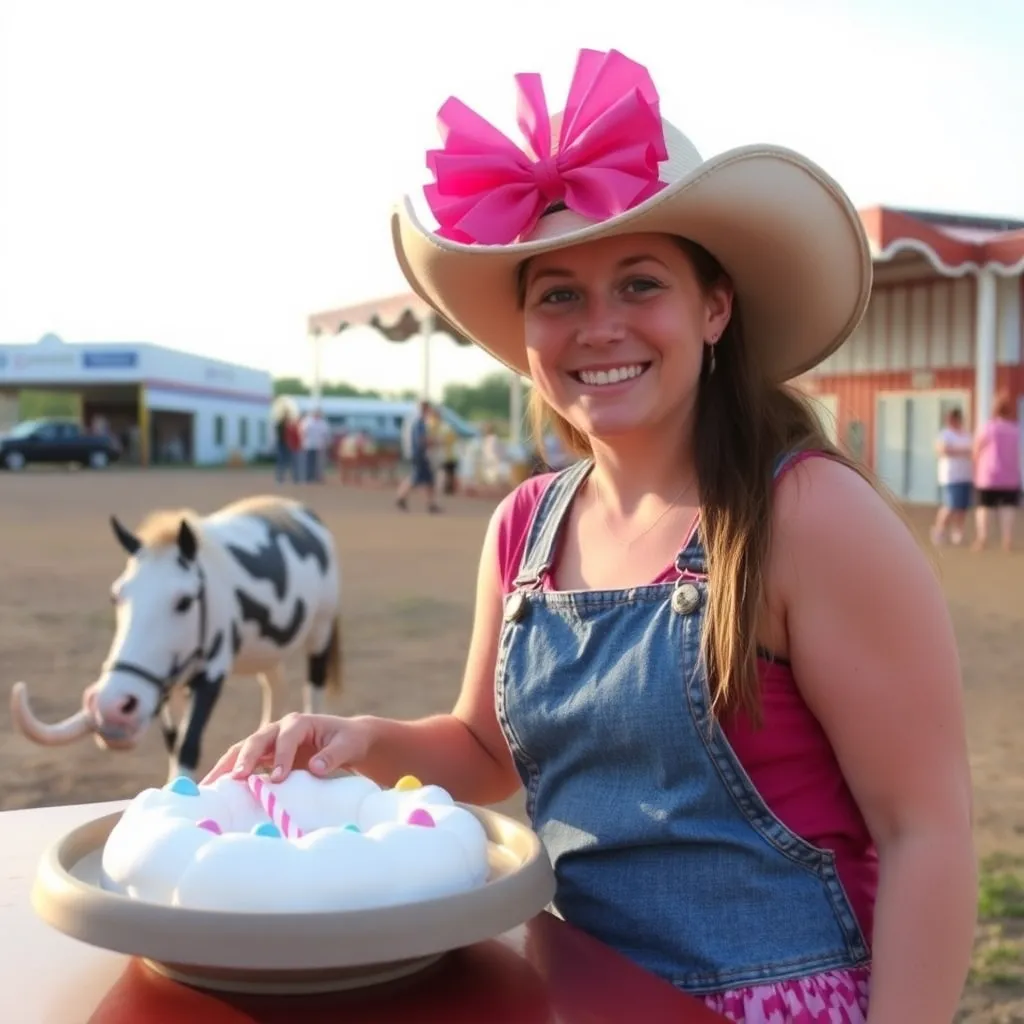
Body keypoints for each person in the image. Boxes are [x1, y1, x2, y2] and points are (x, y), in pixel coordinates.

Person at [205, 48, 976, 1022]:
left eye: (640, 283)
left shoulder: (808, 516)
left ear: (713, 307)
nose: (598, 326)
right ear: (526, 332)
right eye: (558, 293)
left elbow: (927, 832)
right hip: (572, 990)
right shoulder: (522, 526)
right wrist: (363, 739)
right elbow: (486, 748)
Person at [972, 391, 1021, 552]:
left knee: (985, 507)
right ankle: (1007, 539)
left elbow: (977, 449)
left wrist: (975, 463)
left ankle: (983, 538)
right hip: (1010, 476)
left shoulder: (989, 428)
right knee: (1008, 507)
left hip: (989, 475)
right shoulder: (1015, 430)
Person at [931, 407, 974, 546]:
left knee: (962, 507)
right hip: (950, 476)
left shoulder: (967, 435)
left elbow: (973, 451)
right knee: (950, 505)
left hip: (966, 475)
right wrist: (963, 451)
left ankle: (958, 532)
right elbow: (942, 450)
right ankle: (939, 530)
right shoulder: (945, 434)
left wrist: (960, 451)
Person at [396, 400, 442, 513]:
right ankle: (402, 497)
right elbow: (421, 440)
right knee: (418, 478)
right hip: (420, 454)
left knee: (425, 479)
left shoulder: (417, 422)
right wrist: (435, 442)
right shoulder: (420, 423)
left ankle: (429, 503)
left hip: (418, 454)